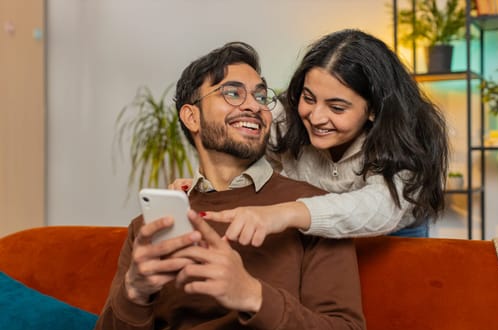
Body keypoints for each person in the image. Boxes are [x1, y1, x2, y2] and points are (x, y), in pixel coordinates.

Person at [90, 41, 366, 330]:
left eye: (261, 96)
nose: (254, 106)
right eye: (233, 93)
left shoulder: (316, 211)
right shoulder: (149, 228)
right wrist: (135, 292)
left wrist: (251, 294)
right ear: (191, 117)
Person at [173, 29, 449, 246]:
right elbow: (240, 153)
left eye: (337, 107)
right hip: (313, 231)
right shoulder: (283, 119)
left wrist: (286, 213)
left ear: (374, 110)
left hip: (393, 236)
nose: (316, 118)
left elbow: (379, 208)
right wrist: (211, 185)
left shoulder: (405, 139)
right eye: (308, 98)